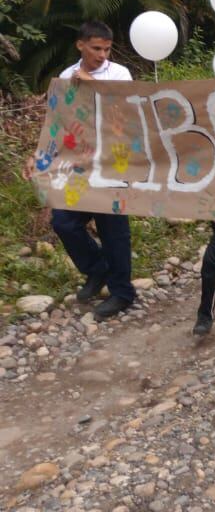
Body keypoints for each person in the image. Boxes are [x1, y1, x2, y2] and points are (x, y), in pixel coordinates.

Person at [24, 21, 136, 321]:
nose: (102, 55)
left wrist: (88, 82)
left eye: (107, 49)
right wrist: (39, 154)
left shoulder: (119, 74)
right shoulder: (65, 77)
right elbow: (58, 122)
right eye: (96, 48)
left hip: (113, 165)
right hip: (79, 166)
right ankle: (97, 271)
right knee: (64, 222)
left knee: (114, 232)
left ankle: (122, 293)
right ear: (81, 45)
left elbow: (120, 113)